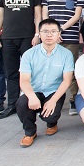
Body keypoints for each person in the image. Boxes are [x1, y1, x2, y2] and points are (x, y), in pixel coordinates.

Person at [0, 0, 42, 119]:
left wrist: (37, 34)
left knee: (31, 72)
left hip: (28, 37)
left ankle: (32, 102)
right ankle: (12, 104)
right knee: (11, 72)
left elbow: (38, 15)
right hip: (7, 37)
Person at [16, 19, 74, 148]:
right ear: (39, 33)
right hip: (34, 90)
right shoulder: (29, 54)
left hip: (53, 91)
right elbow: (24, 80)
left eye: (53, 31)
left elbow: (67, 81)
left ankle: (52, 124)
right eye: (45, 31)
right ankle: (30, 132)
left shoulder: (66, 54)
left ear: (59, 34)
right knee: (22, 104)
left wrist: (53, 101)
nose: (49, 35)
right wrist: (32, 97)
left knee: (51, 116)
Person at [42, 0, 84, 116]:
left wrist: (60, 30)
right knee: (51, 70)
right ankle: (50, 98)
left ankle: (73, 99)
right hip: (50, 38)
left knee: (70, 70)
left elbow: (77, 16)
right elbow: (45, 15)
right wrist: (51, 32)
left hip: (70, 37)